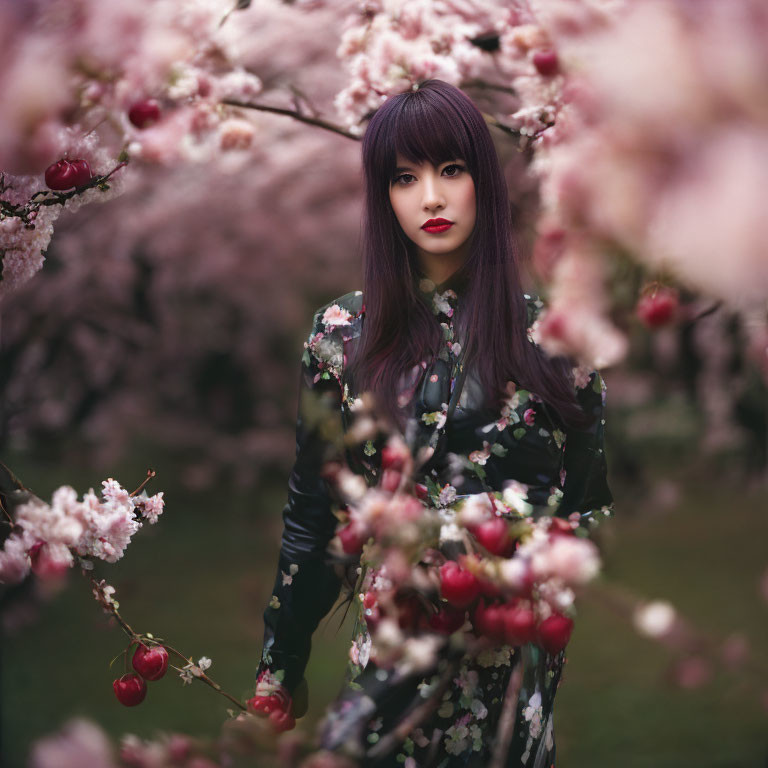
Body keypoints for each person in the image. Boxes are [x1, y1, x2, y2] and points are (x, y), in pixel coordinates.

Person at [254, 79, 614, 766]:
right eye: (404, 177)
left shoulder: (559, 338)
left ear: (484, 180)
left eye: (451, 170)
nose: (431, 197)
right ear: (382, 196)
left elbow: (586, 506)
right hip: (393, 656)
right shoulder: (342, 338)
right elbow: (315, 513)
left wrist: (512, 558)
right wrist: (281, 663)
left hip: (513, 664)